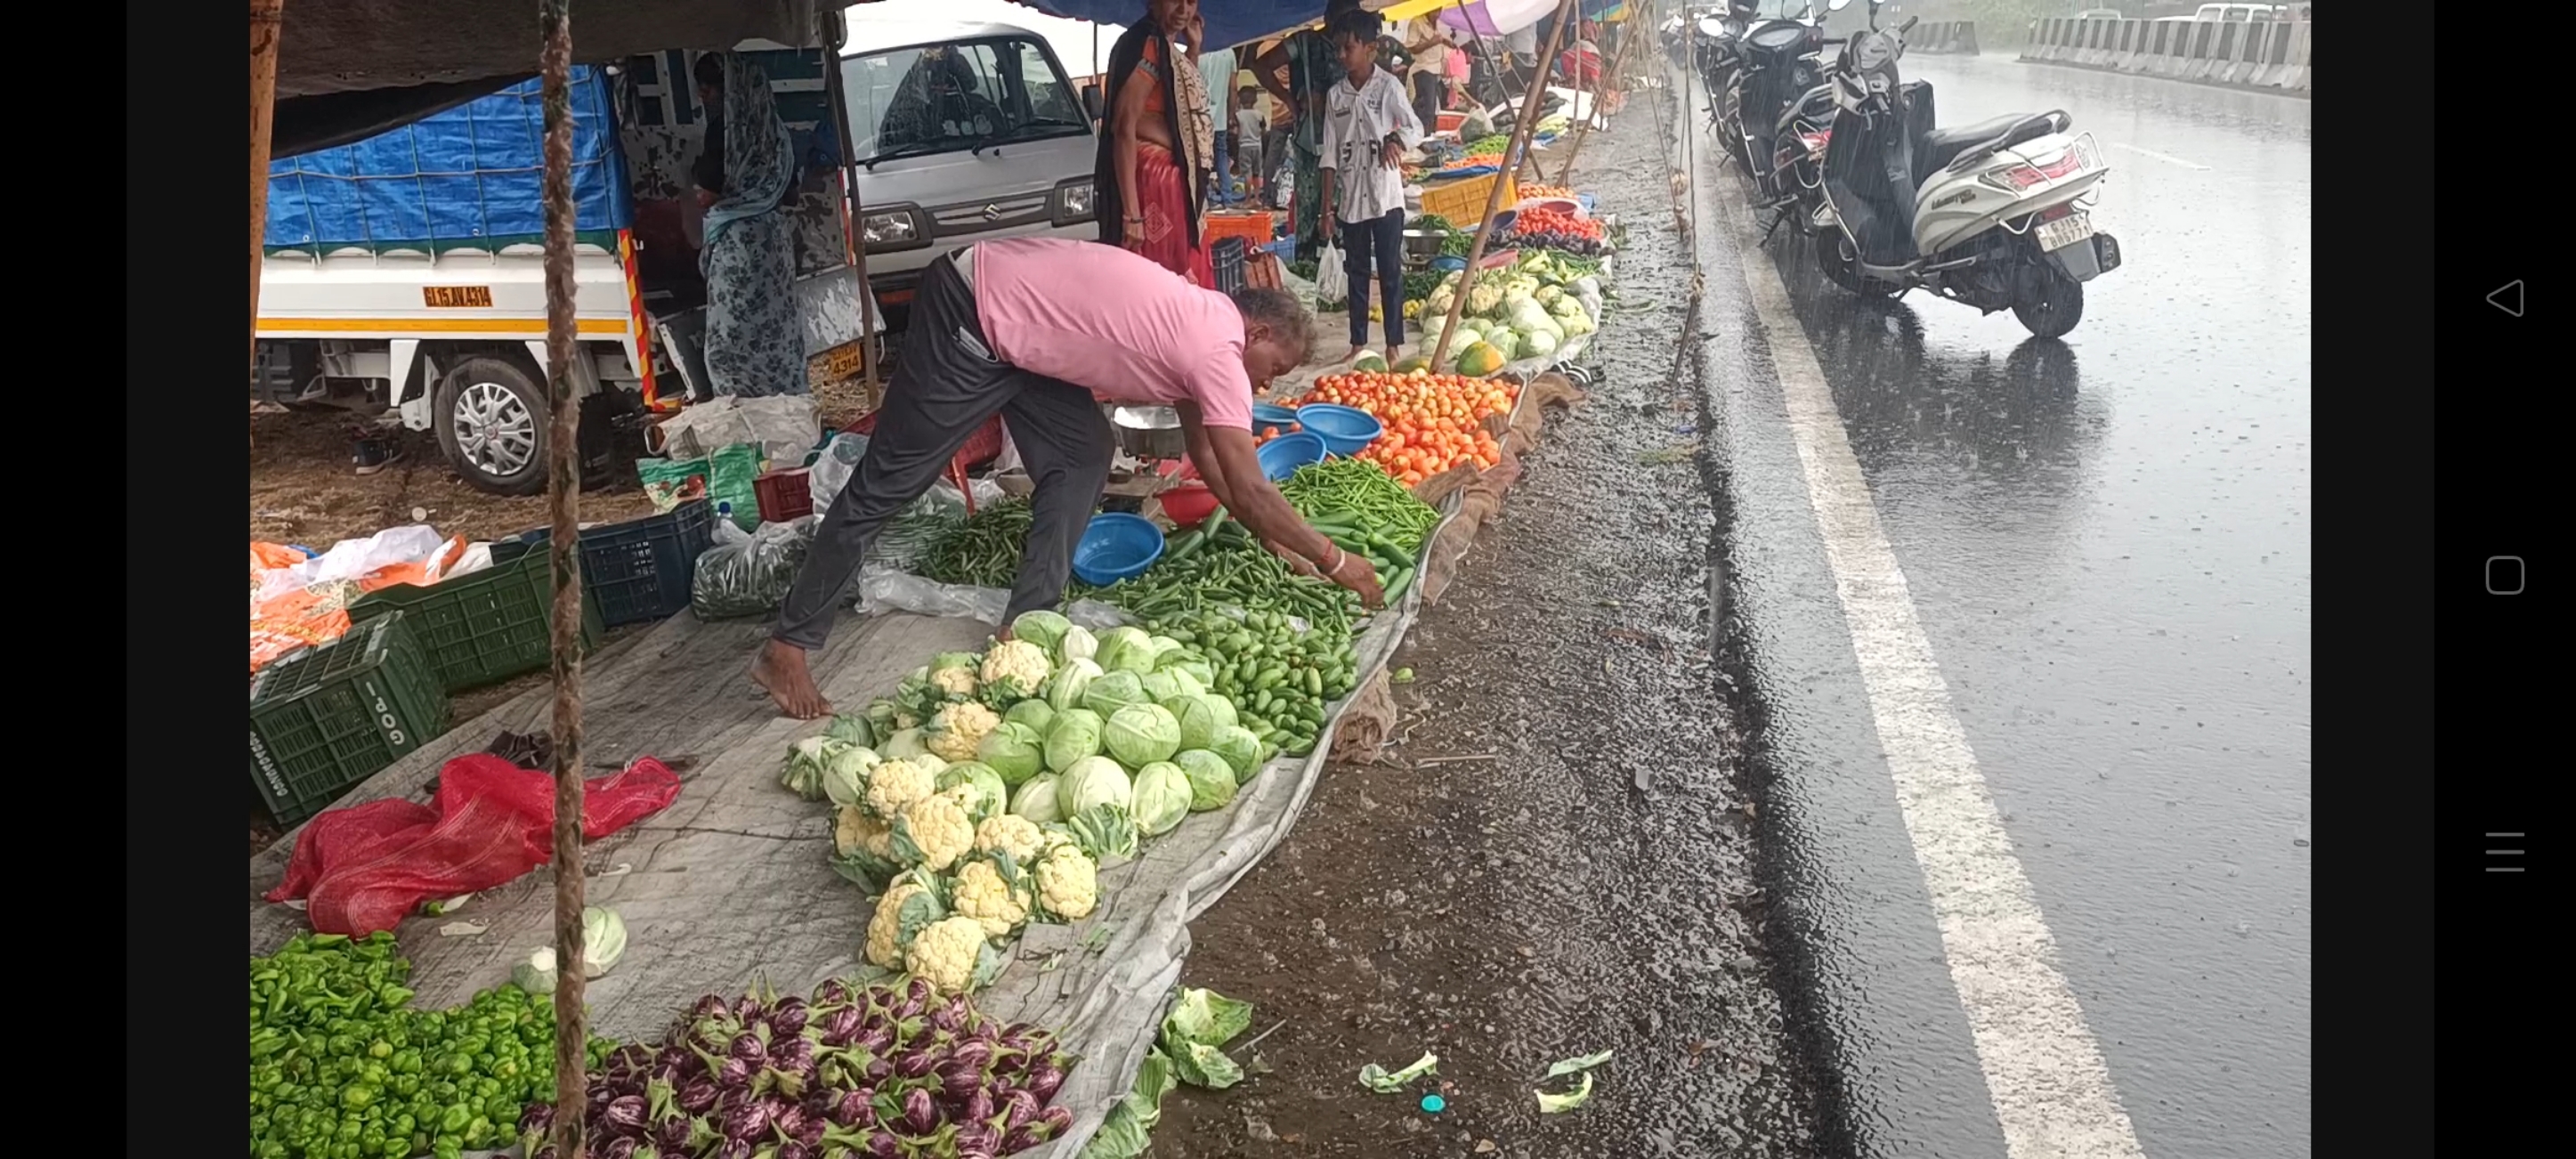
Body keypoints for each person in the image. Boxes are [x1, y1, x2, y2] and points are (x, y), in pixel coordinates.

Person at [749, 238, 1385, 718]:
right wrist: (1335, 560)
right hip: (971, 312)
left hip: (1018, 330)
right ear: (1259, 331)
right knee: (890, 481)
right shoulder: (1216, 349)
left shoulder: (1207, 325)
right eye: (1275, 367)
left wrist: (1276, 538)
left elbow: (1212, 459)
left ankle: (1023, 622)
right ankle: (789, 645)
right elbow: (1247, 482)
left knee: (1083, 452)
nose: (1269, 384)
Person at [693, 52, 806, 398]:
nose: (703, 96)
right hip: (774, 241)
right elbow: (791, 193)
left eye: (708, 89)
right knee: (778, 334)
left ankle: (744, 412)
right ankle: (786, 405)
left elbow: (707, 195)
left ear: (730, 91)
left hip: (739, 246)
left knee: (732, 342)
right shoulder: (775, 130)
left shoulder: (724, 132)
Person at [1318, 8, 1423, 364]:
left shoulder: (1388, 87)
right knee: (1357, 273)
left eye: (1349, 48)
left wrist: (1396, 140)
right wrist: (1326, 208)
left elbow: (1416, 127)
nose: (1342, 55)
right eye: (1339, 49)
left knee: (1391, 271)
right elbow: (1329, 154)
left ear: (1370, 49)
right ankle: (1357, 344)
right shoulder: (1336, 96)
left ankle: (1393, 345)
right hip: (1352, 202)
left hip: (1386, 197)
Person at [1098, 0, 1217, 286]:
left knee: (1177, 284)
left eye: (1191, 2)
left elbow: (1178, 104)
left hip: (1172, 186)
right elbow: (1124, 125)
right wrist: (1132, 215)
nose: (1183, 10)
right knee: (1164, 286)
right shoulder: (1149, 45)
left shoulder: (1162, 46)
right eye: (1175, 0)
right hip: (1154, 187)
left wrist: (1193, 50)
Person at [1252, 0, 1364, 263]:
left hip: (1349, 145)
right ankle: (1309, 265)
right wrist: (1289, 99)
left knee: (1344, 211)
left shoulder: (1359, 46)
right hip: (1310, 141)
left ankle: (1340, 270)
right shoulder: (1303, 42)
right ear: (1328, 17)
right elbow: (1261, 66)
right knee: (1309, 210)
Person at [1198, 39, 1238, 205]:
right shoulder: (1229, 53)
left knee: (1201, 157)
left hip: (1200, 117)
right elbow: (1233, 88)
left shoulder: (1198, 52)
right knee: (1221, 155)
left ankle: (1205, 198)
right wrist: (1231, 114)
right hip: (1220, 118)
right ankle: (1227, 198)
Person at [1402, 13, 1456, 131]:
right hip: (1424, 69)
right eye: (1436, 10)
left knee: (1433, 107)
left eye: (1440, 9)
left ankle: (1428, 134)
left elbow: (1438, 39)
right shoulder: (1417, 23)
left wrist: (1445, 42)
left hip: (1435, 70)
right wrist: (1432, 42)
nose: (1438, 13)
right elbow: (1412, 47)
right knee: (1425, 109)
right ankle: (1421, 137)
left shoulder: (1436, 23)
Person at [1234, 86, 1268, 205]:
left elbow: (1235, 131)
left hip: (1244, 146)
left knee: (1247, 174)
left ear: (1240, 100)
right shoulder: (1260, 115)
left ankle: (1247, 199)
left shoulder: (1238, 115)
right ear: (1256, 100)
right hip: (1257, 146)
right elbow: (1264, 131)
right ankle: (1257, 198)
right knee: (1257, 173)